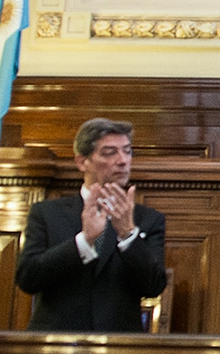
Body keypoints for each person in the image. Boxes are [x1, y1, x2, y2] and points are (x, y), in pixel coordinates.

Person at [15, 118, 167, 332]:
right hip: (55, 344)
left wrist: (128, 235)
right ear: (81, 161)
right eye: (109, 152)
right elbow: (27, 278)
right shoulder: (47, 213)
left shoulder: (147, 219)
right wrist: (83, 242)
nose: (123, 160)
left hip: (119, 347)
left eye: (127, 151)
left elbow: (153, 286)